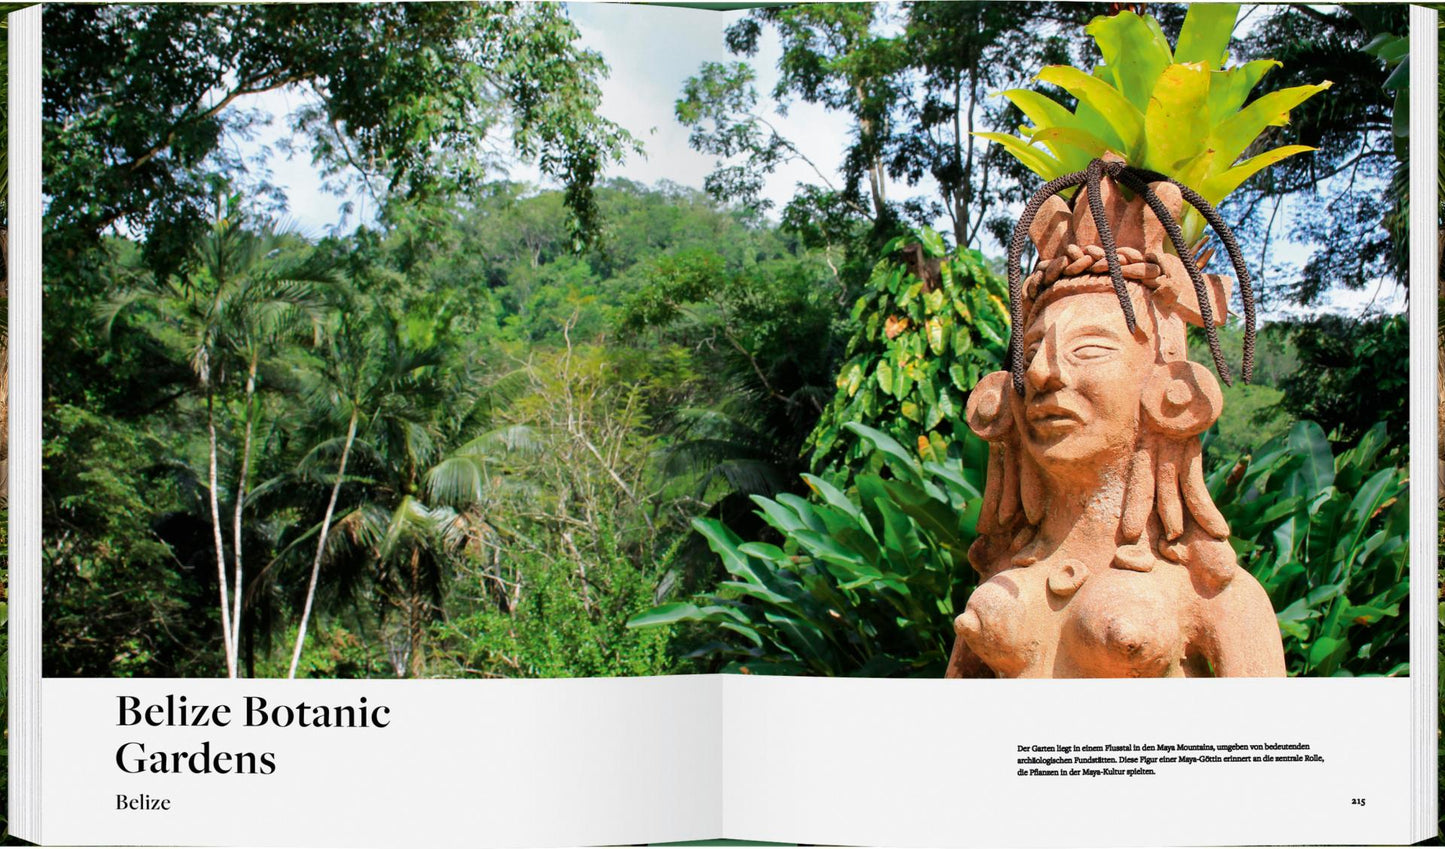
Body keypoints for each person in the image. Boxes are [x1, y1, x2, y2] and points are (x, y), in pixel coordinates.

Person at [945, 166, 1285, 678]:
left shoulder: (1211, 592)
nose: (1040, 373)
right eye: (1033, 349)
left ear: (1168, 392)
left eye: (1089, 349)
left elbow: (1266, 749)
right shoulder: (1003, 574)